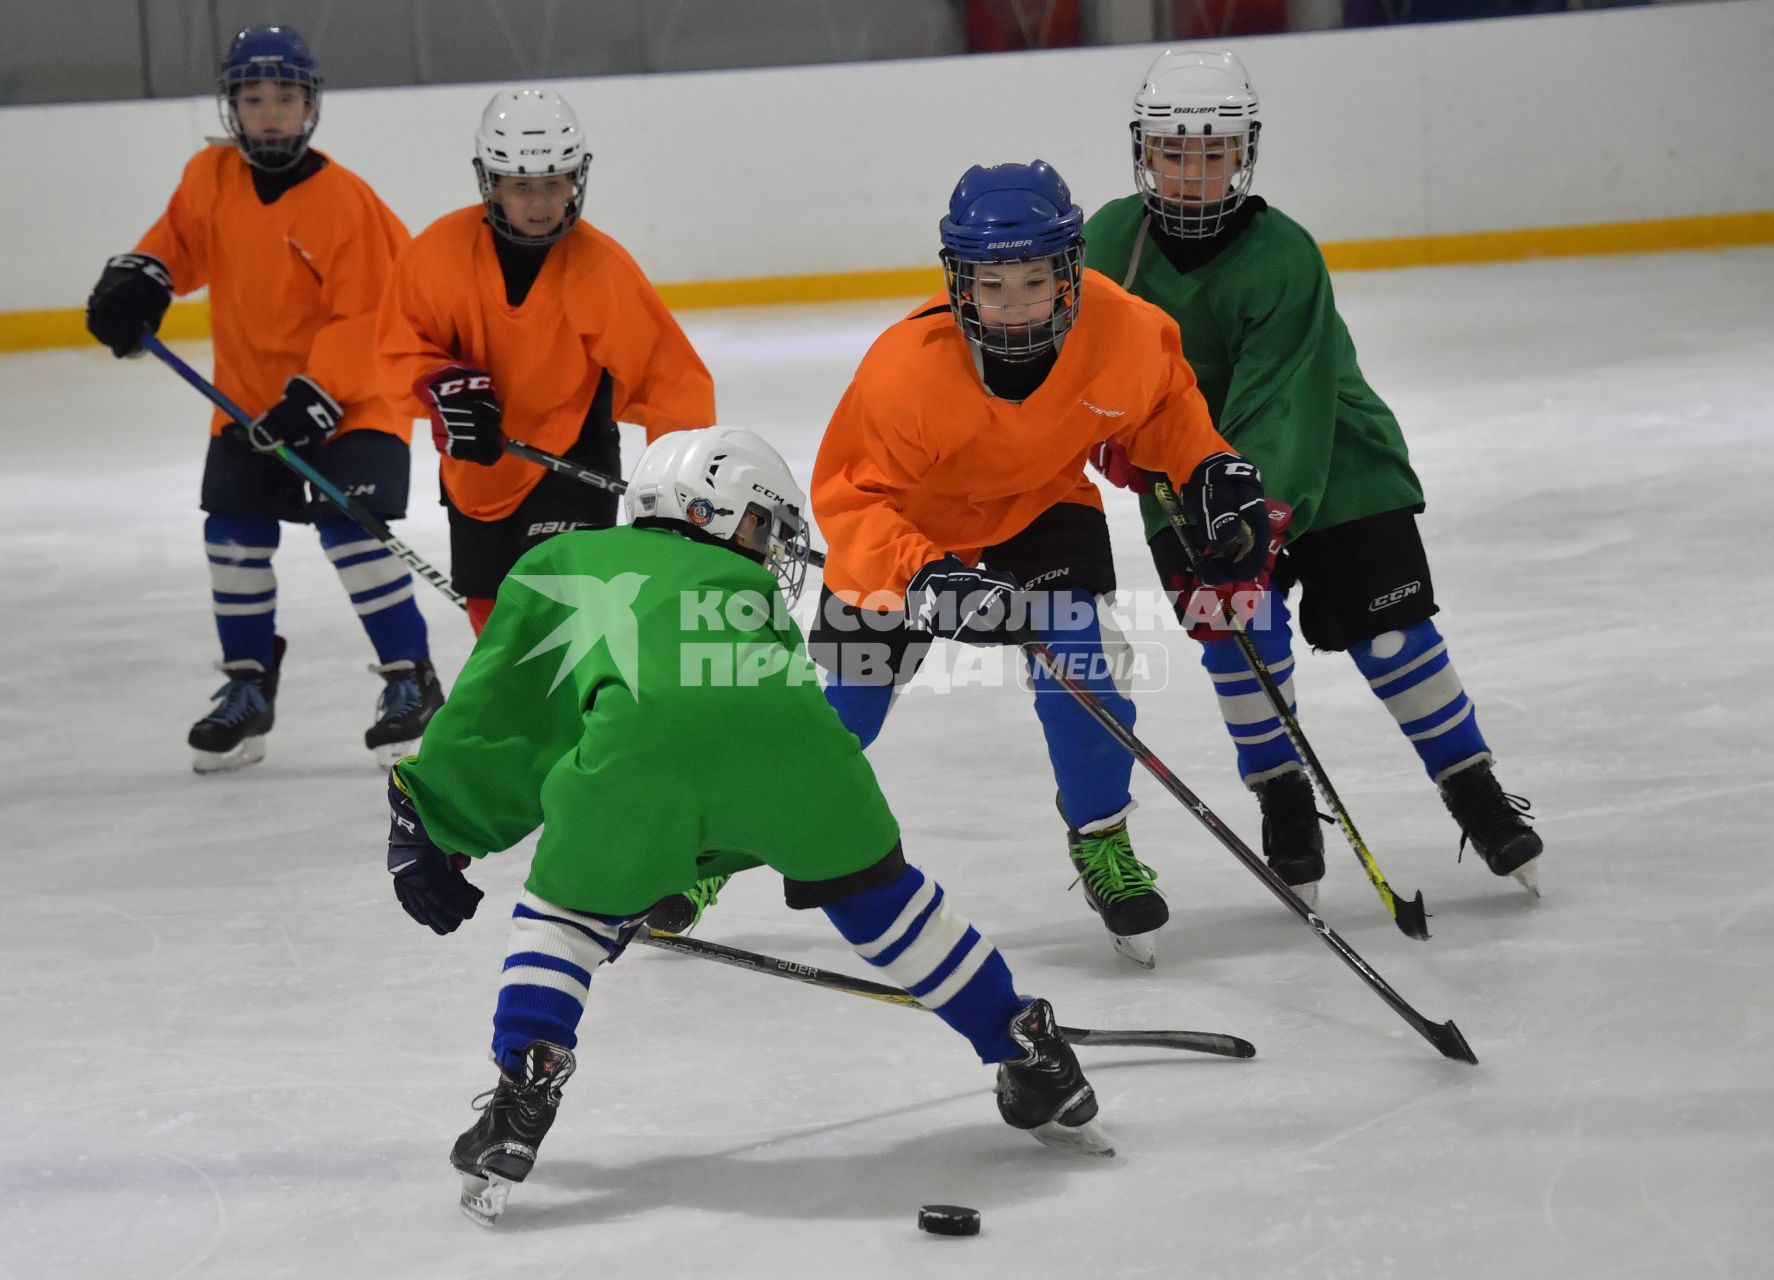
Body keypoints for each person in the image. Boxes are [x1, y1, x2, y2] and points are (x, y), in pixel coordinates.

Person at [381, 427, 1114, 1225]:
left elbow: (502, 716)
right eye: (764, 526)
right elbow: (737, 734)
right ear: (716, 514)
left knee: (566, 915)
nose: (771, 550)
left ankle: (523, 1096)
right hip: (799, 746)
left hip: (641, 760)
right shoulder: (744, 588)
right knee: (885, 901)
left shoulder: (561, 563)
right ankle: (1028, 1045)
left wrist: (433, 818)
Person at [1083, 50, 1543, 900]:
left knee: (1393, 633)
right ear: (1144, 152)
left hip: (1334, 456)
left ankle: (1472, 788)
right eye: (1174, 153)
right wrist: (1099, 428)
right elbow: (1075, 361)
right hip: (1181, 475)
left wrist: (1256, 514)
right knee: (1237, 638)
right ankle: (1284, 797)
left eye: (1212, 153)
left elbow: (1283, 404)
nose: (1191, 174)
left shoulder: (1284, 254)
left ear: (1243, 154)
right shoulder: (1107, 243)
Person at [807, 160, 1270, 968]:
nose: (1014, 303)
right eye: (993, 283)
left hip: (1039, 505)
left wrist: (1212, 472)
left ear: (1070, 272)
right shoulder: (904, 373)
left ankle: (1101, 839)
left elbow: (1165, 413)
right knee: (844, 715)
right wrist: (923, 575)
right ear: (960, 282)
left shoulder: (1125, 332)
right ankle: (710, 854)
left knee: (1080, 668)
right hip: (912, 526)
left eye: (1034, 279)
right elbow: (849, 497)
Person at [83, 24, 440, 773]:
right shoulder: (208, 177)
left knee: (351, 533)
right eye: (254, 98)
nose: (270, 112)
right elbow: (174, 249)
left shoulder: (346, 202)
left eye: (285, 96)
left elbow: (369, 313)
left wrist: (318, 395)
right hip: (249, 405)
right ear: (232, 106)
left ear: (309, 105)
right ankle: (248, 688)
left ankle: (412, 681)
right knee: (233, 539)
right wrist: (137, 282)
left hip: (355, 401)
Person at [377, 87, 715, 637]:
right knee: (497, 632)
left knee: (561, 619)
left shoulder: (601, 270)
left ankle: (588, 722)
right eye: (521, 187)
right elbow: (396, 353)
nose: (539, 204)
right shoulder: (436, 255)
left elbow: (672, 380)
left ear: (576, 179)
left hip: (574, 458)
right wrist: (438, 387)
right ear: (491, 183)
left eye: (553, 183)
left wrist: (682, 478)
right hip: (480, 470)